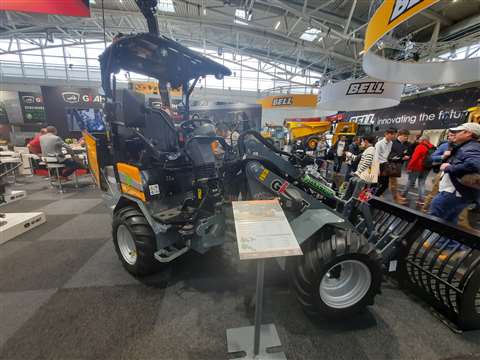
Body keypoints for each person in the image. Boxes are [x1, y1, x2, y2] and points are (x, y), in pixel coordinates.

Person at [429, 123, 480, 223]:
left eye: (457, 132)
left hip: (453, 192)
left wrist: (449, 167)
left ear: (468, 133)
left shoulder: (471, 147)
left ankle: (429, 239)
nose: (454, 134)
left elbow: (475, 164)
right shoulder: (467, 146)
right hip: (457, 192)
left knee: (434, 221)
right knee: (449, 222)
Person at [422, 131, 455, 212]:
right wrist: (443, 156)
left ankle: (461, 220)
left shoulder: (463, 146)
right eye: (449, 135)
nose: (450, 137)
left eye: (452, 135)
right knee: (435, 192)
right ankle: (425, 208)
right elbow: (432, 157)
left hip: (457, 173)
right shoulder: (445, 145)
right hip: (443, 173)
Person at [402, 134, 434, 207]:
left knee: (410, 181)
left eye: (420, 140)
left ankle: (403, 195)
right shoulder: (432, 147)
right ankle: (421, 200)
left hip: (417, 167)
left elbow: (414, 158)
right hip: (427, 168)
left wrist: (409, 167)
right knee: (422, 183)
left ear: (423, 140)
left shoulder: (420, 146)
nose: (418, 141)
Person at [387, 129, 410, 204]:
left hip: (398, 165)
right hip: (391, 165)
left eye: (407, 136)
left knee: (392, 183)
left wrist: (404, 156)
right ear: (400, 135)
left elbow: (402, 154)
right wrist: (402, 158)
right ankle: (396, 199)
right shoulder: (393, 143)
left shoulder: (405, 144)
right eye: (405, 136)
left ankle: (396, 196)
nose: (406, 138)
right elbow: (390, 156)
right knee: (393, 184)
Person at [374, 128, 397, 196]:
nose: (393, 136)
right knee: (375, 183)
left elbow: (387, 154)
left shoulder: (391, 143)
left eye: (393, 135)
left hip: (386, 165)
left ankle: (375, 196)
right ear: (386, 134)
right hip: (379, 165)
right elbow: (376, 156)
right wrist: (377, 169)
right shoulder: (379, 144)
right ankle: (368, 197)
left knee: (385, 184)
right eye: (391, 134)